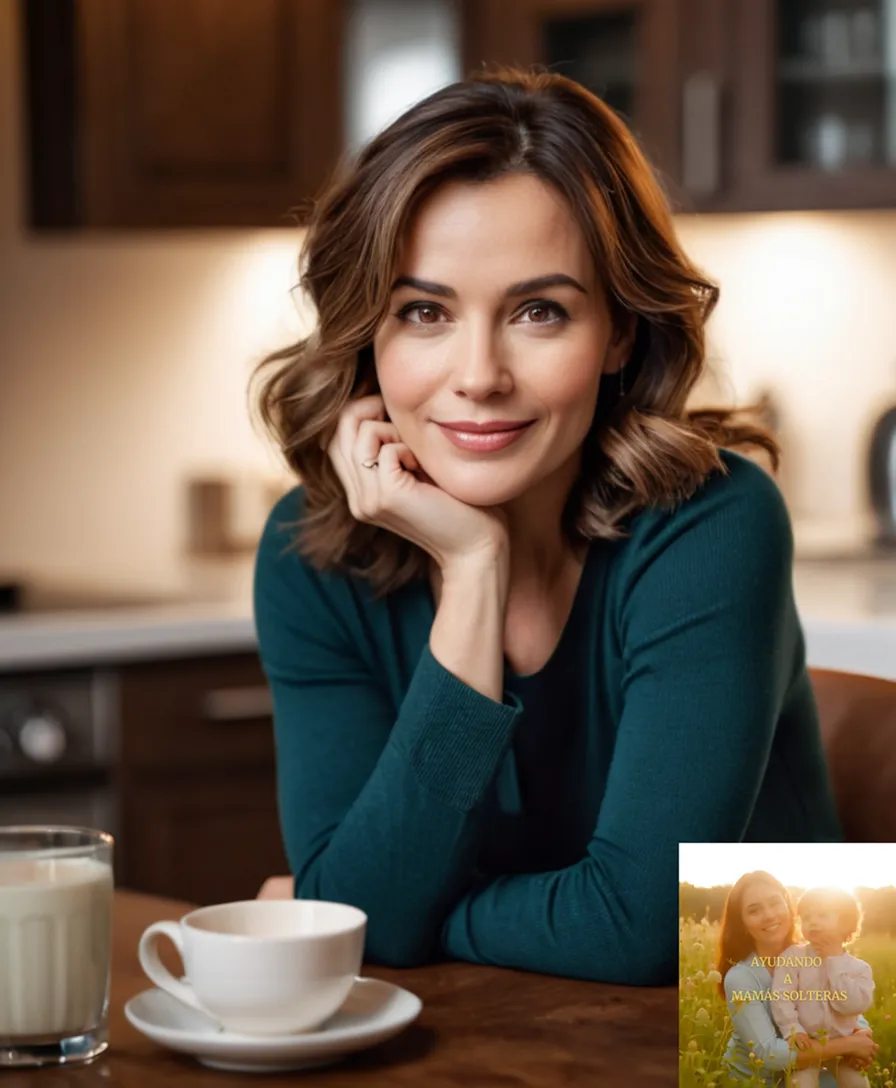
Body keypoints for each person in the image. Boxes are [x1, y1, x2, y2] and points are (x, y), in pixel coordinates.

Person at [250, 65, 843, 984]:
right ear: (370, 332)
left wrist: (398, 916)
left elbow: (646, 929)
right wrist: (475, 568)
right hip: (495, 1053)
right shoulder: (309, 553)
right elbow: (356, 922)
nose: (479, 373)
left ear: (619, 333)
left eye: (539, 311)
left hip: (765, 1052)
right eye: (424, 312)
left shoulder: (715, 523)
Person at [717, 872, 877, 1084]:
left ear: (788, 906)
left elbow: (839, 1004)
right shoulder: (740, 978)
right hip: (756, 1080)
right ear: (743, 923)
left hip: (810, 1064)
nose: (769, 915)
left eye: (775, 903)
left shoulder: (815, 954)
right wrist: (849, 1044)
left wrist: (861, 1032)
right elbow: (768, 1054)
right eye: (754, 910)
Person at [770, 887, 874, 1087]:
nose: (813, 922)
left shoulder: (860, 969)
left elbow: (852, 1006)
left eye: (822, 915)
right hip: (807, 1044)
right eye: (807, 917)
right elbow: (781, 997)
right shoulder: (793, 957)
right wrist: (793, 1030)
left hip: (844, 1049)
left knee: (858, 1083)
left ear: (845, 922)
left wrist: (833, 961)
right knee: (800, 1083)